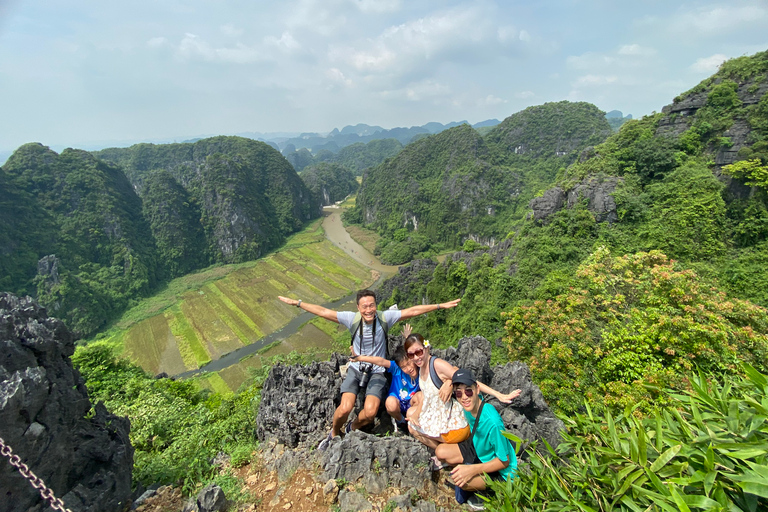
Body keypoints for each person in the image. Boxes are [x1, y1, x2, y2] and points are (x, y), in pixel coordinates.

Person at [277, 290, 460, 450]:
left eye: (371, 305)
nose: (368, 309)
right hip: (356, 368)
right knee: (344, 408)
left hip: (378, 370)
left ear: (376, 305)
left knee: (371, 412)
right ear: (358, 307)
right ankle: (334, 433)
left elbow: (411, 311)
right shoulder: (352, 319)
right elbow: (324, 312)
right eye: (364, 306)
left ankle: (351, 428)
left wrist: (439, 306)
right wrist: (298, 303)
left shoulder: (384, 317)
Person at [404, 334, 520, 461]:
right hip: (439, 415)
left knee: (412, 427)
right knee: (411, 415)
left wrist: (499, 395)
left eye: (419, 352)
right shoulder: (421, 367)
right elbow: (427, 396)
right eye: (411, 355)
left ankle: (446, 454)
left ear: (425, 348)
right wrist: (449, 382)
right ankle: (447, 452)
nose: (416, 357)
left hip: (452, 423)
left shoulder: (436, 365)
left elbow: (468, 380)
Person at [434, 368, 518, 510]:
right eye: (459, 393)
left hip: (502, 471)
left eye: (468, 391)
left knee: (462, 482)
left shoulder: (493, 422)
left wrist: (473, 470)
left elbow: (504, 461)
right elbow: (446, 372)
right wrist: (449, 382)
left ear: (477, 390)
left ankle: (491, 492)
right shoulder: (469, 406)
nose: (464, 397)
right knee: (440, 451)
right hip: (479, 448)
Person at [350, 341, 418, 434]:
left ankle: (415, 423)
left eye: (409, 363)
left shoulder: (421, 370)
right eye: (404, 367)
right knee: (390, 403)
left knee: (420, 396)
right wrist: (361, 358)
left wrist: (408, 339)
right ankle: (401, 422)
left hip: (412, 403)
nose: (409, 368)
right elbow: (381, 361)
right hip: (397, 402)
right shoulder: (396, 368)